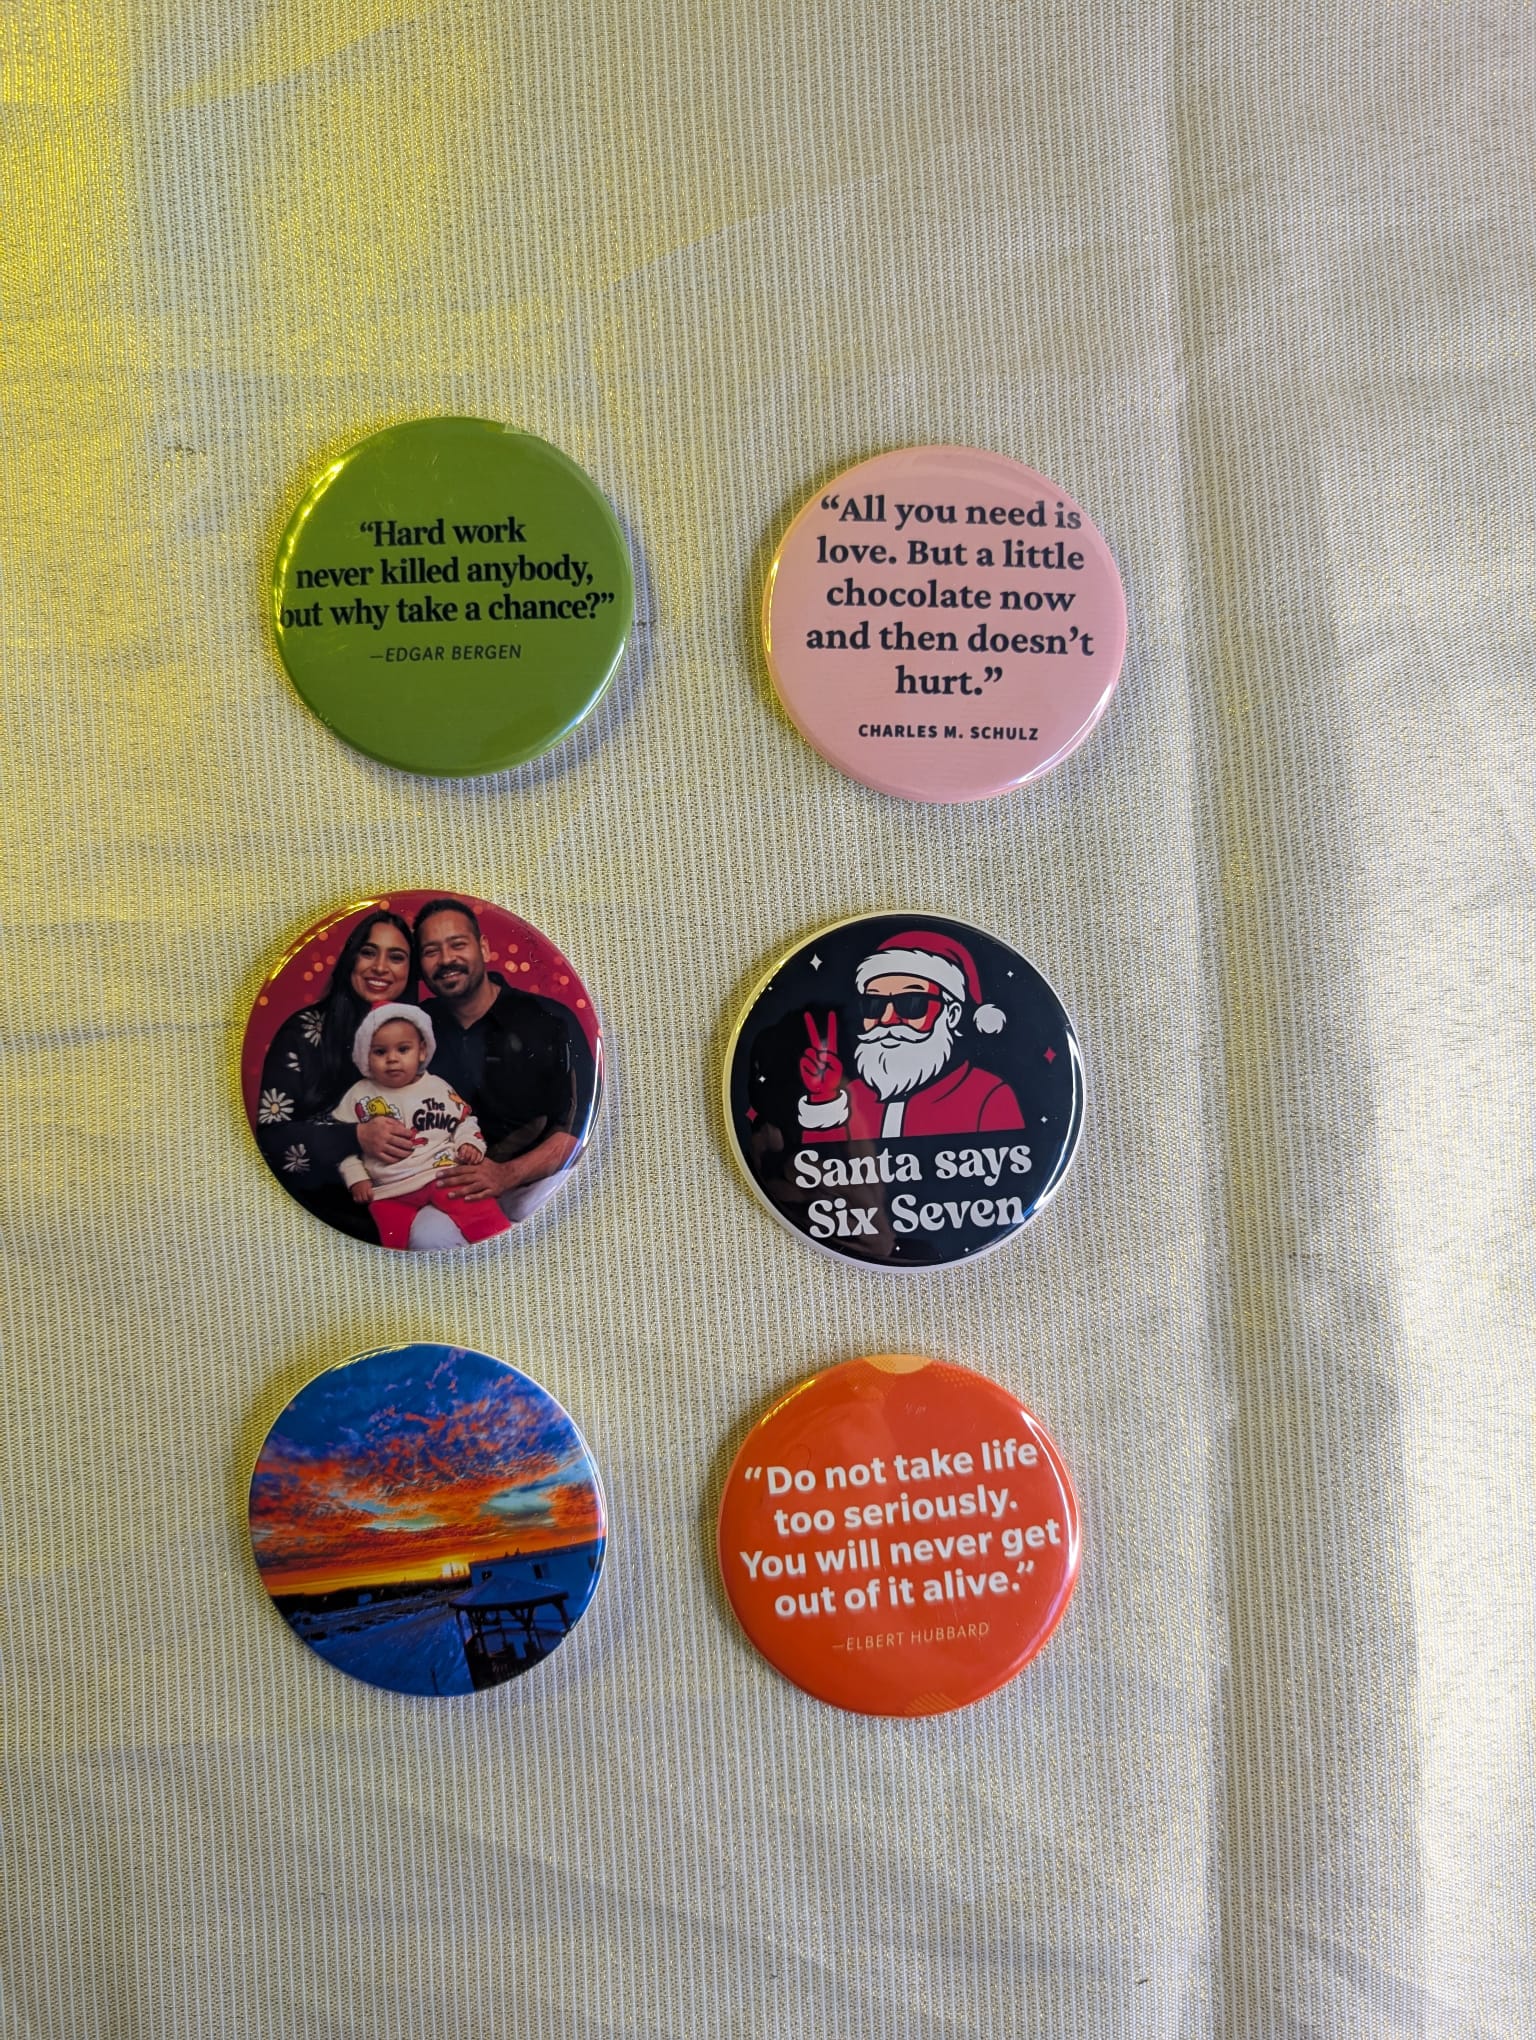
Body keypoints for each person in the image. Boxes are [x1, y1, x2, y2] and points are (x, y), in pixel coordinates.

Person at [413, 897, 598, 1226]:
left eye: (458, 944)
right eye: (431, 951)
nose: (446, 959)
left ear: (483, 948)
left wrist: (506, 1175)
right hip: (440, 1191)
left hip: (532, 1191)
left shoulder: (551, 1021)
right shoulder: (412, 1028)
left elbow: (578, 1126)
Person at [254, 909, 423, 1239]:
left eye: (396, 957)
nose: (380, 967)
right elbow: (271, 1139)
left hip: (412, 1200)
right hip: (322, 1215)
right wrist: (355, 1136)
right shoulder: (302, 1034)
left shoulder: (422, 1039)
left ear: (410, 971)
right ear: (350, 959)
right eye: (369, 952)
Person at [797, 927, 1025, 1142]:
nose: (887, 1019)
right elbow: (816, 1164)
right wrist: (823, 1099)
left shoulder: (987, 1095)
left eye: (912, 1003)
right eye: (874, 1004)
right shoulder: (852, 1097)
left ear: (952, 1014)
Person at [331, 1004, 510, 1250]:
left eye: (403, 1049)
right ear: (365, 1056)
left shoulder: (437, 1086)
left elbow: (463, 1121)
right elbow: (340, 1144)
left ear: (422, 1051)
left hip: (442, 1175)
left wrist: (469, 1143)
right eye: (380, 1052)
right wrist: (356, 1178)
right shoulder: (359, 1095)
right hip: (389, 1191)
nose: (392, 1059)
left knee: (481, 1213)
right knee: (390, 1243)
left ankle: (508, 1253)